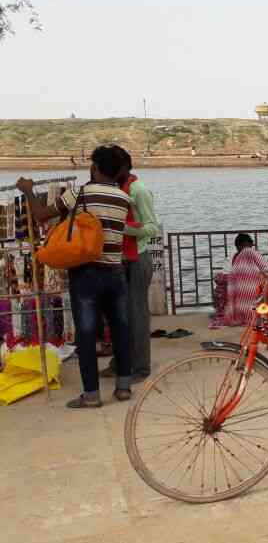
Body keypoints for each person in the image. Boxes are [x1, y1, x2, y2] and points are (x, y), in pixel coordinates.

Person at [16, 145, 134, 408]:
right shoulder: (123, 198)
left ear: (94, 168)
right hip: (116, 273)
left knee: (86, 333)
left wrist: (27, 191)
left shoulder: (80, 192)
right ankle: (124, 387)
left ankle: (91, 395)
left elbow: (41, 215)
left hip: (86, 274)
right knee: (120, 330)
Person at [101, 149, 159, 382]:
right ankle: (120, 362)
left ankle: (141, 367)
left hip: (138, 258)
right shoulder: (118, 190)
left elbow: (151, 227)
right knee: (119, 316)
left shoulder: (139, 191)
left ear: (123, 167)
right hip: (121, 259)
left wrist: (120, 227)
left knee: (137, 316)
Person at [210, 233, 268, 327]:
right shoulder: (234, 258)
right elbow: (267, 270)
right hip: (241, 294)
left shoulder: (252, 255)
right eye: (245, 246)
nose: (247, 249)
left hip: (252, 292)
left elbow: (267, 270)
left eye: (249, 246)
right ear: (238, 246)